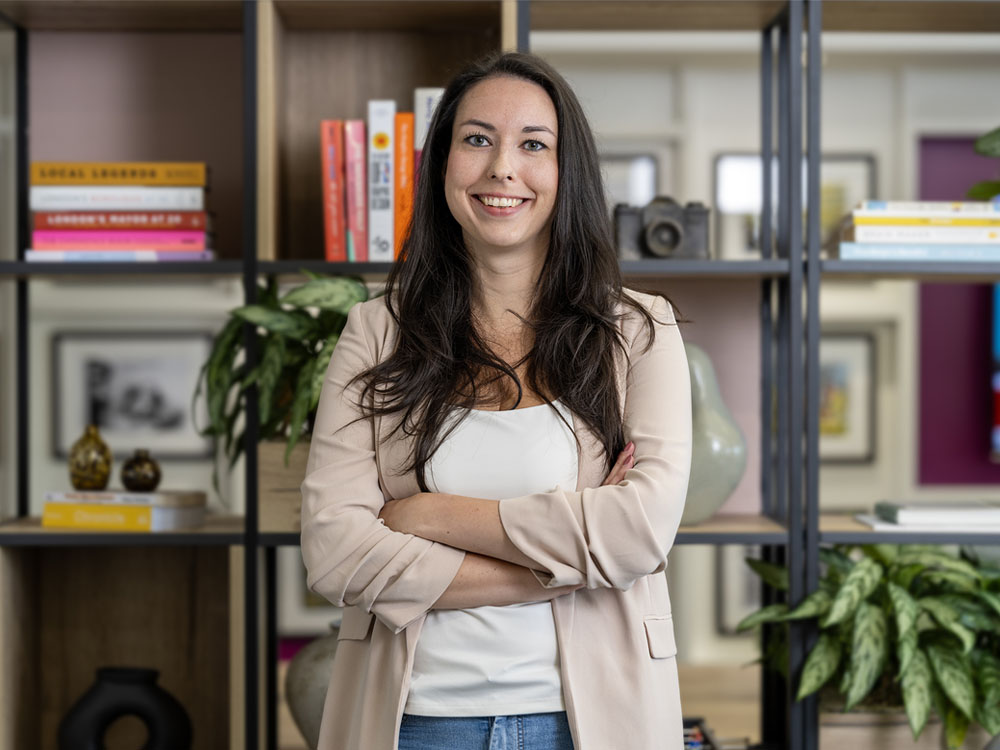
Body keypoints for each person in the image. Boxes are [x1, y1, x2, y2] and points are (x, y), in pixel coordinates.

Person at [300, 51, 692, 750]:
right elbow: (335, 552)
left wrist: (429, 515)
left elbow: (638, 533)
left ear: (567, 172)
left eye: (533, 145)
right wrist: (565, 568)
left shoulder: (639, 331)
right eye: (477, 139)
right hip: (414, 721)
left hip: (590, 722)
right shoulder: (375, 331)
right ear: (443, 164)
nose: (502, 168)